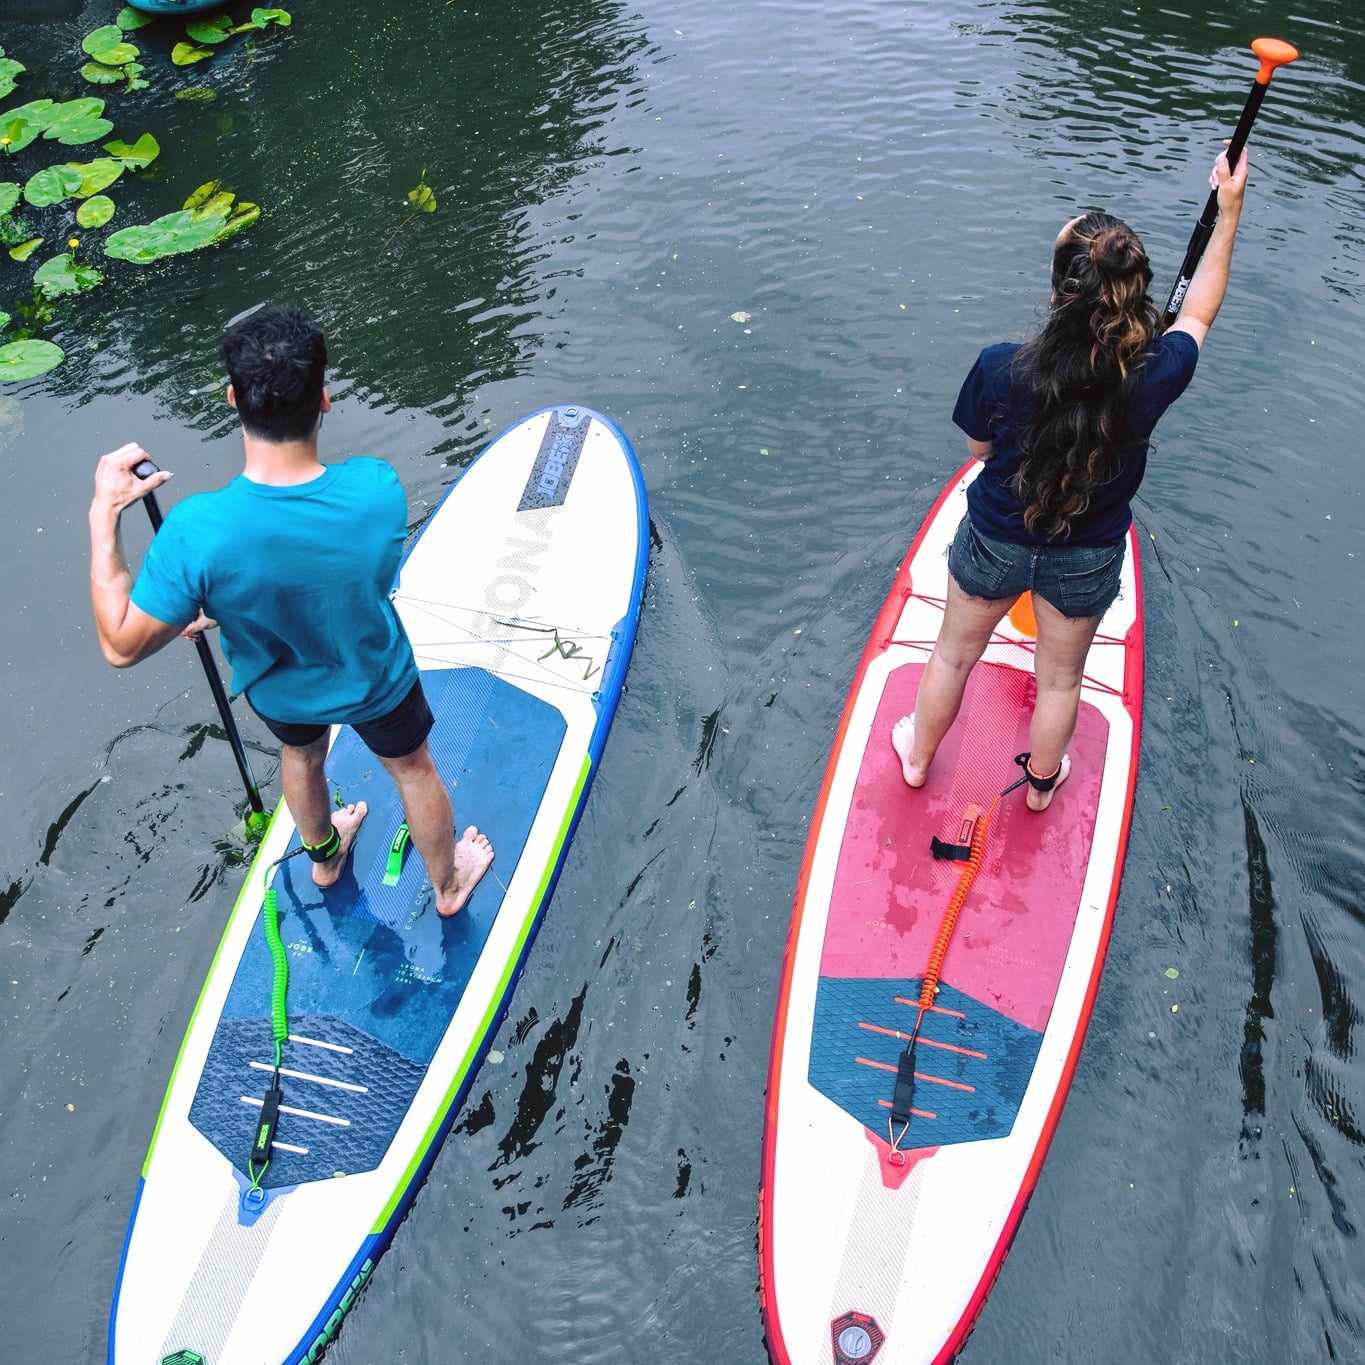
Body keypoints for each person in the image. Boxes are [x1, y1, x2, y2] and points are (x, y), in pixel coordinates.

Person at [87, 304, 494, 915]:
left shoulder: (196, 531)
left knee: (303, 756)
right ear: (324, 398)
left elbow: (120, 646)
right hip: (374, 682)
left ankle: (325, 861)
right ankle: (448, 886)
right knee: (413, 770)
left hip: (279, 695)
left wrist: (105, 513)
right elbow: (345, 580)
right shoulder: (375, 488)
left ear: (233, 399)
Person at [892, 148, 1248, 811]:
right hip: (1086, 555)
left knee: (953, 655)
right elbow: (1198, 312)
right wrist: (1228, 212)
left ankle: (917, 759)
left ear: (1059, 290)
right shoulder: (1155, 374)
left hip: (995, 539)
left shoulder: (1001, 366)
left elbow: (978, 447)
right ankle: (1039, 787)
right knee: (1059, 680)